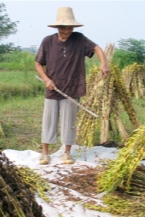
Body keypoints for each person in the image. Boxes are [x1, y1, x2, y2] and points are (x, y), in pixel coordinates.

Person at [35, 7, 110, 165]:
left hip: (72, 88)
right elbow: (38, 64)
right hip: (53, 88)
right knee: (49, 121)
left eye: (70, 27)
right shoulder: (47, 41)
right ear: (57, 28)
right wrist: (46, 79)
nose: (67, 31)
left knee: (69, 123)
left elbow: (96, 48)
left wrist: (104, 63)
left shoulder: (79, 39)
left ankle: (67, 153)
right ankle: (45, 153)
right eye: (64, 27)